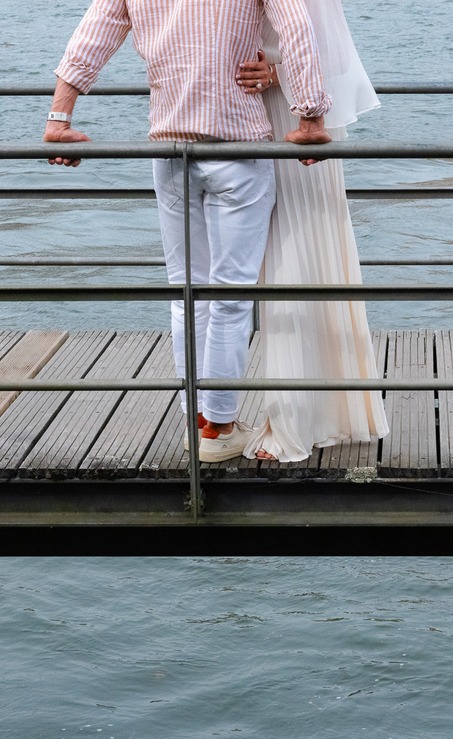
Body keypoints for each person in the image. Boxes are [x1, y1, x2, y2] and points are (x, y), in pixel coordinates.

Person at [42, 0, 333, 463]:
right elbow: (297, 28)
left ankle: (195, 422)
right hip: (236, 145)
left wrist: (60, 120)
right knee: (231, 297)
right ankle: (217, 429)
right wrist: (311, 117)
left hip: (170, 148)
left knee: (186, 294)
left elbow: (93, 36)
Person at [233, 0, 388, 462]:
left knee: (291, 256)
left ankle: (294, 420)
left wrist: (278, 78)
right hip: (294, 108)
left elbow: (318, 46)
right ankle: (334, 407)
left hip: (290, 113)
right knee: (309, 249)